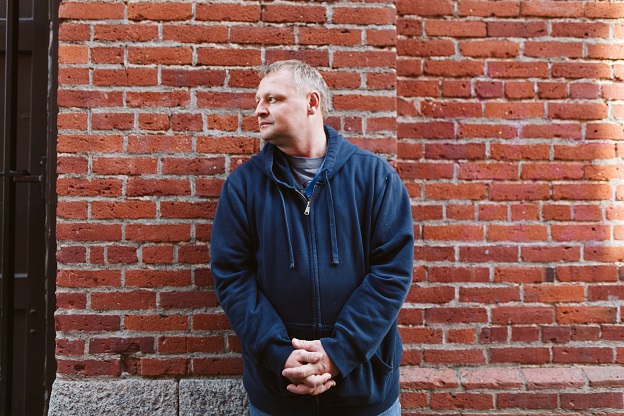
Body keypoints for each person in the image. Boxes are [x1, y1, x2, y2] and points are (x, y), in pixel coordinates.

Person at [210, 60, 414, 416]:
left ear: (312, 103)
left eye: (272, 99)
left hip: (365, 395)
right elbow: (233, 279)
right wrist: (282, 356)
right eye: (258, 101)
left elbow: (391, 274)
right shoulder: (243, 187)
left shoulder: (374, 178)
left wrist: (337, 354)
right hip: (279, 393)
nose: (259, 110)